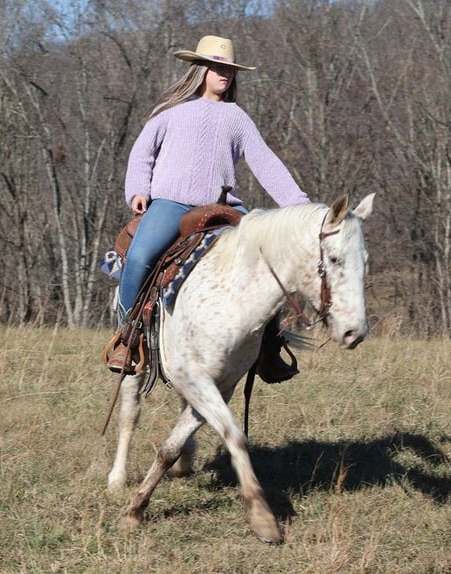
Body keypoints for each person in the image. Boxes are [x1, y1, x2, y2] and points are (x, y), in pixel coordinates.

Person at [107, 35, 310, 381]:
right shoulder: (169, 112)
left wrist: (299, 206)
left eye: (229, 69)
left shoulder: (237, 118)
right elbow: (143, 153)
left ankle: (269, 349)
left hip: (222, 206)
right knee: (140, 257)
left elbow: (266, 164)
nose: (225, 74)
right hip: (171, 202)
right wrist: (138, 189)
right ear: (200, 69)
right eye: (218, 67)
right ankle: (129, 336)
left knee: (268, 259)